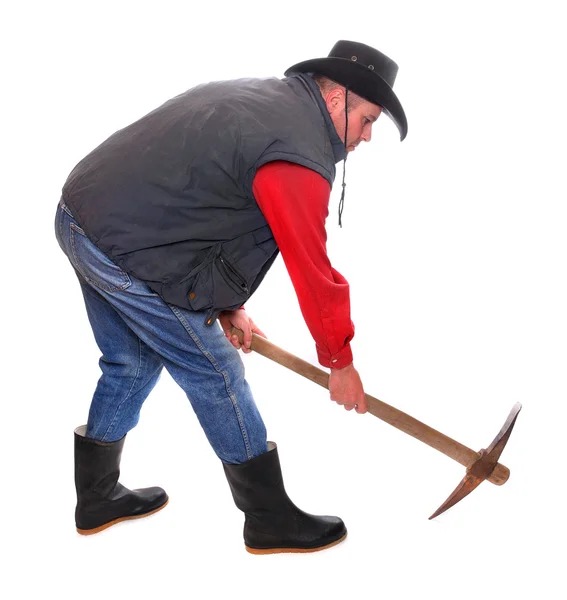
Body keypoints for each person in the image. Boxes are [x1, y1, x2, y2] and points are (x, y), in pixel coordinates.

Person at [54, 39, 408, 554]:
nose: (368, 136)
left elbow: (207, 203)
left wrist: (225, 303)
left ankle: (97, 499)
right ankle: (268, 518)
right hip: (120, 242)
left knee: (130, 363)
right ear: (339, 100)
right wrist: (339, 360)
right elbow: (311, 267)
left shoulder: (270, 104)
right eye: (368, 119)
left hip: (84, 214)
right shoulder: (296, 153)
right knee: (216, 370)